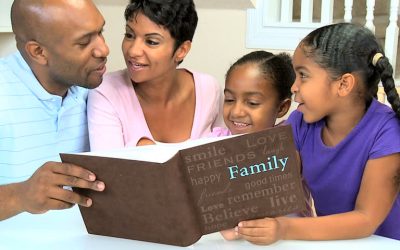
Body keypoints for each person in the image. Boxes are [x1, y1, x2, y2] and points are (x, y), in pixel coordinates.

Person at [234, 23, 400, 244]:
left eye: (303, 75)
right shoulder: (300, 123)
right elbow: (273, 187)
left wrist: (284, 228)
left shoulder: (387, 132)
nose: (293, 86)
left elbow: (365, 219)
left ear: (343, 84)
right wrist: (237, 217)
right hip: (331, 244)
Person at [0, 0, 109, 221]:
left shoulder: (99, 89)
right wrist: (19, 196)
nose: (103, 49)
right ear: (38, 52)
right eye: (83, 42)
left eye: (101, 32)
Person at [87, 0, 224, 150]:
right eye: (129, 35)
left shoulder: (208, 89)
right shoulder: (106, 91)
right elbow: (108, 168)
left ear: (182, 50)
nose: (133, 51)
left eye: (151, 42)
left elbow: (226, 158)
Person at [209, 51, 315, 240]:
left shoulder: (292, 141)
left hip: (292, 240)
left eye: (252, 102)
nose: (236, 111)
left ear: (282, 108)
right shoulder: (216, 142)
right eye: (230, 100)